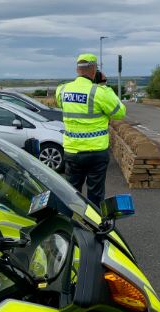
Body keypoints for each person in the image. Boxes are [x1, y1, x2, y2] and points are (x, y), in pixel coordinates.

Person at [56, 53, 126, 207]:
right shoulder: (98, 92)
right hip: (96, 152)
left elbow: (63, 104)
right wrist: (104, 86)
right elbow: (120, 112)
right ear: (94, 70)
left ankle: (74, 224)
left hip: (72, 151)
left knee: (72, 193)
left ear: (77, 69)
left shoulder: (62, 90)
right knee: (95, 194)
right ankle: (95, 225)